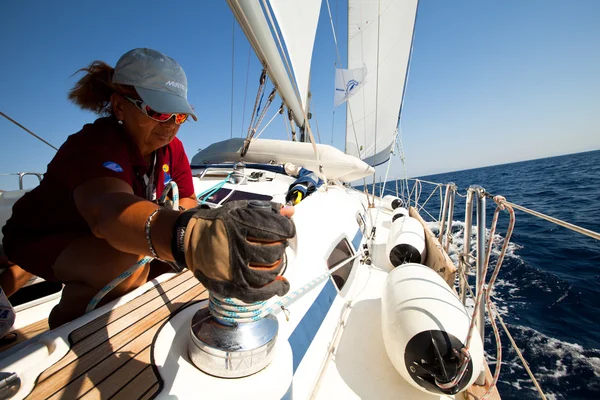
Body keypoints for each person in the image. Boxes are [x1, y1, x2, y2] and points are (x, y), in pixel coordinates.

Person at [1, 48, 295, 329]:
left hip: (89, 235)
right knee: (123, 263)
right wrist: (192, 237)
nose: (170, 126)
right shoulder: (95, 144)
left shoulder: (172, 148)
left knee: (161, 262)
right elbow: (108, 210)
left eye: (178, 116)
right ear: (119, 106)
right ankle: (66, 334)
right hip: (42, 236)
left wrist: (193, 219)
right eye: (158, 111)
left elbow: (189, 198)